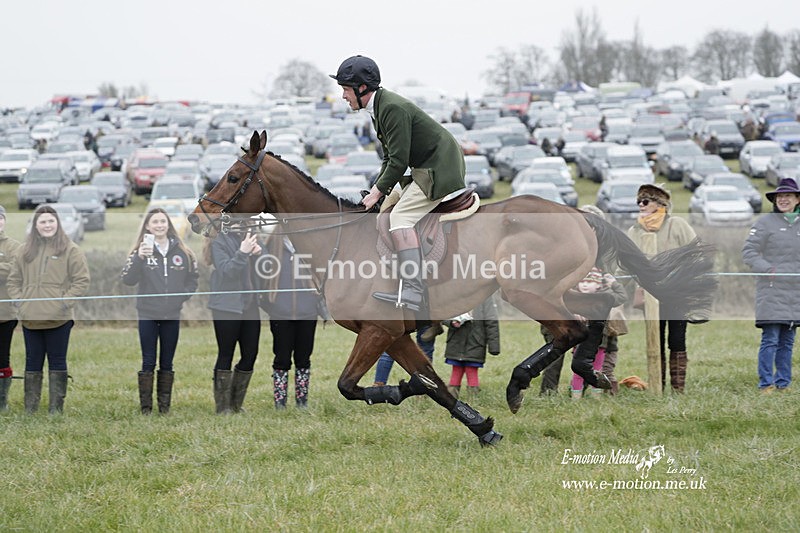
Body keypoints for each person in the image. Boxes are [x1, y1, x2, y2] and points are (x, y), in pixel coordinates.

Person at [331, 55, 466, 312]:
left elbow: (399, 161)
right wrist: (376, 191)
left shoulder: (391, 107)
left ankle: (414, 290)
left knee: (400, 219)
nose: (343, 96)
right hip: (424, 165)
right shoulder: (379, 107)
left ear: (362, 88)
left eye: (346, 89)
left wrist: (378, 191)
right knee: (385, 208)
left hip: (438, 167)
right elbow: (390, 157)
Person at [7, 205, 90, 414]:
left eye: (51, 221)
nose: (47, 225)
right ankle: (31, 408)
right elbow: (13, 280)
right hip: (30, 318)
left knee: (57, 360)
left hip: (59, 319)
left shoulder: (71, 249)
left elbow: (81, 281)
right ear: (35, 225)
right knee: (32, 361)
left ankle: (55, 409)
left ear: (57, 223)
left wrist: (64, 301)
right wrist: (19, 301)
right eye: (42, 222)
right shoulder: (24, 251)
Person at [122, 208, 198, 414]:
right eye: (154, 222)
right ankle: (146, 408)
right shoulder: (140, 250)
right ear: (147, 226)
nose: (159, 225)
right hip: (147, 313)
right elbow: (128, 279)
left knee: (167, 360)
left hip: (172, 314)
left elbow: (193, 279)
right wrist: (138, 258)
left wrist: (181, 296)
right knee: (148, 359)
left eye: (162, 222)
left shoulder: (183, 251)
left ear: (168, 225)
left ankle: (164, 407)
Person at [627, 184, 697, 393]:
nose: (641, 205)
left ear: (660, 204)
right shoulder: (634, 230)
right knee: (654, 339)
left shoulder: (678, 225)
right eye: (638, 201)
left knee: (676, 339)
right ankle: (658, 385)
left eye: (645, 201)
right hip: (650, 294)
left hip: (676, 292)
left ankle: (677, 389)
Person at [742, 177, 800, 393]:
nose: (783, 199)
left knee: (788, 341)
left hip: (795, 293)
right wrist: (769, 270)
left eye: (788, 196)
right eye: (779, 196)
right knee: (771, 338)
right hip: (772, 290)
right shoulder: (764, 223)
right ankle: (766, 383)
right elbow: (749, 252)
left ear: (797, 199)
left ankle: (783, 383)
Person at [203, 224, 264, 414]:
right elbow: (227, 271)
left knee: (250, 354)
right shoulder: (218, 241)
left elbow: (264, 271)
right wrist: (243, 252)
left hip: (250, 306)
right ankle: (222, 407)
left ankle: (236, 405)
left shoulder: (249, 235)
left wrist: (258, 255)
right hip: (226, 307)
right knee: (226, 354)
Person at [260, 235, 320, 409]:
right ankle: (280, 401)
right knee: (281, 358)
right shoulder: (271, 245)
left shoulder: (308, 243)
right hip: (280, 314)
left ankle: (302, 401)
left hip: (307, 312)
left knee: (304, 358)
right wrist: (271, 304)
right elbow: (262, 276)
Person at [442, 296, 500, 401]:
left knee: (471, 370)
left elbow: (491, 321)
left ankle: (473, 400)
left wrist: (494, 346)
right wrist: (451, 322)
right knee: (456, 370)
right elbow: (443, 313)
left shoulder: (485, 297)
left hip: (476, 343)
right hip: (456, 341)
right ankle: (451, 399)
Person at [0, 205, 21, 411]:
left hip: (5, 314)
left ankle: (1, 401)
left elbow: (15, 270)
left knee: (2, 356)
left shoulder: (14, 247)